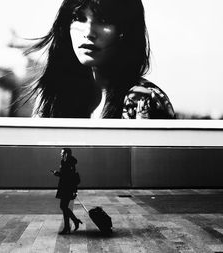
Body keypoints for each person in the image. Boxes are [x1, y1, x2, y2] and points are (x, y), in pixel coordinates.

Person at [24, 0, 175, 119]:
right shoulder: (52, 94)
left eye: (103, 19)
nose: (88, 32)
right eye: (78, 18)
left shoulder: (143, 99)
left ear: (125, 30)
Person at [52, 148, 82, 234]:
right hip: (65, 187)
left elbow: (68, 176)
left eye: (62, 153)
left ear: (66, 154)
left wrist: (57, 174)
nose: (60, 154)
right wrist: (58, 173)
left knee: (63, 207)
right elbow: (65, 175)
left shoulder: (68, 163)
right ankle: (69, 225)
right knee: (64, 207)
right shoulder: (65, 162)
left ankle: (71, 224)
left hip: (67, 188)